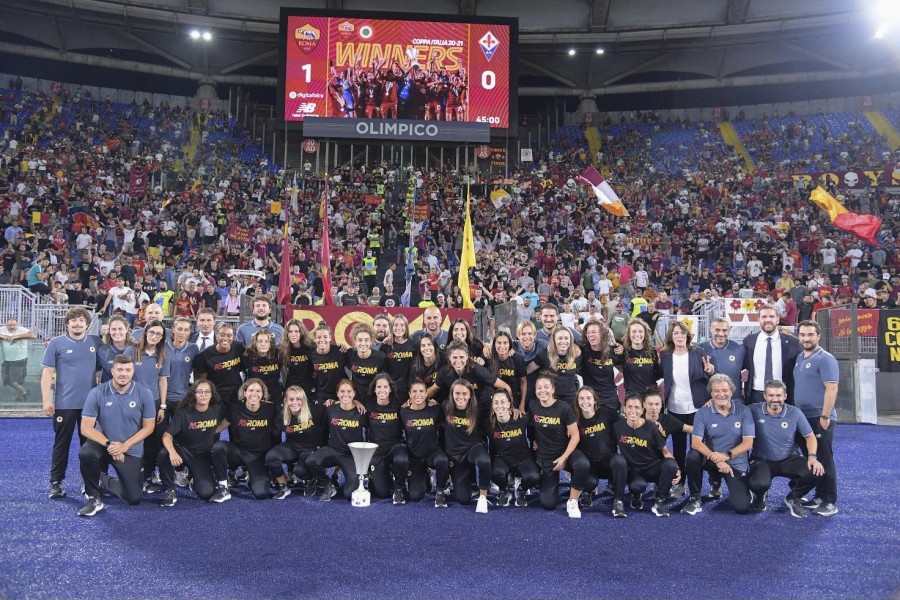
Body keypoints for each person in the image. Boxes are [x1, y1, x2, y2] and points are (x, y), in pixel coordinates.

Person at [77, 354, 156, 516]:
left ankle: (102, 480)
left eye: (128, 370)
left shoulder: (144, 393)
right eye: (119, 369)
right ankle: (93, 497)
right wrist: (110, 445)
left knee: (133, 498)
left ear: (133, 372)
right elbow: (85, 428)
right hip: (104, 445)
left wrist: (124, 446)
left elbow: (149, 427)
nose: (123, 373)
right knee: (86, 453)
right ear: (112, 371)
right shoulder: (97, 392)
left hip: (130, 450)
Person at [41, 307, 99, 499]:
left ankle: (89, 484)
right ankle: (56, 483)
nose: (77, 323)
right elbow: (47, 373)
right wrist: (46, 400)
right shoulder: (56, 343)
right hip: (64, 405)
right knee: (61, 444)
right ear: (67, 323)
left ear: (87, 323)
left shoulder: (95, 342)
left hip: (89, 407)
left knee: (89, 447)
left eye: (81, 320)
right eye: (73, 320)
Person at [748, 380, 824, 517]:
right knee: (759, 484)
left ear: (785, 396)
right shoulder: (753, 410)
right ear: (764, 396)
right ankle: (759, 496)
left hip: (788, 459)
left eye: (778, 395)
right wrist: (711, 402)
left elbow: (810, 437)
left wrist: (812, 457)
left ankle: (793, 497)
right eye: (771, 395)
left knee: (817, 471)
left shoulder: (795, 413)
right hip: (762, 460)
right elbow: (732, 410)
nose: (775, 399)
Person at [681, 374, 755, 516]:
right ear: (711, 393)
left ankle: (718, 481)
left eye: (725, 390)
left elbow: (748, 443)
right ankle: (695, 497)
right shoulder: (702, 413)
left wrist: (726, 456)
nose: (721, 394)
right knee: (692, 457)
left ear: (731, 392)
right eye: (716, 391)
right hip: (712, 458)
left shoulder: (744, 411)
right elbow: (696, 443)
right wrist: (717, 458)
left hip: (734, 462)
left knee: (742, 507)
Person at [659, 320, 714, 497]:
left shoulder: (699, 352)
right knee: (679, 449)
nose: (679, 336)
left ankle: (695, 489)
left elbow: (712, 375)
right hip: (675, 408)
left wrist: (711, 371)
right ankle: (680, 484)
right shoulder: (666, 355)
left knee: (696, 450)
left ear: (687, 335)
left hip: (697, 407)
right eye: (676, 333)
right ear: (671, 336)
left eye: (682, 333)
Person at [792, 320, 840, 517]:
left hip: (819, 417)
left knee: (825, 459)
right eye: (803, 335)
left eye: (810, 334)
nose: (806, 338)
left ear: (818, 335)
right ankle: (820, 496)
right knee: (813, 459)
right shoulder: (799, 357)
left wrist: (825, 415)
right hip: (803, 418)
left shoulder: (825, 358)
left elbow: (832, 388)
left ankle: (830, 501)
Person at [159, 379, 228, 506]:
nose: (203, 394)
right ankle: (169, 490)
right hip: (184, 451)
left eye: (207, 392)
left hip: (202, 456)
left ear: (212, 394)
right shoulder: (184, 412)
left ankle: (193, 476)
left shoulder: (218, 409)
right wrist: (173, 452)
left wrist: (215, 430)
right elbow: (166, 436)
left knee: (206, 493)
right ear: (194, 394)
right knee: (164, 453)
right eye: (199, 392)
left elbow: (231, 417)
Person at [529, 372, 586, 518]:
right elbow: (530, 427)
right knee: (548, 504)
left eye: (546, 387)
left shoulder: (564, 408)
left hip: (566, 452)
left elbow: (575, 435)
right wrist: (534, 440)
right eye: (539, 387)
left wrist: (564, 458)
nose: (543, 390)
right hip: (547, 457)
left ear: (553, 389)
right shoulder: (533, 405)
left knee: (582, 465)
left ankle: (573, 500)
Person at [123, 319, 170, 496]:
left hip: (155, 404)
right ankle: (130, 475)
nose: (154, 336)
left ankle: (148, 476)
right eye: (152, 332)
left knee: (152, 443)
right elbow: (123, 376)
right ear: (145, 333)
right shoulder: (131, 351)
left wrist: (163, 406)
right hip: (132, 403)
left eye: (158, 334)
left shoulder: (163, 355)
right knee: (133, 441)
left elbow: (163, 380)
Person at [614, 393, 679, 517]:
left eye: (637, 407)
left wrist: (677, 468)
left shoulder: (652, 427)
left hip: (651, 467)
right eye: (630, 407)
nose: (633, 411)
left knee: (671, 465)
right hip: (632, 470)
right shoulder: (618, 426)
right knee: (637, 486)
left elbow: (665, 451)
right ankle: (632, 496)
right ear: (624, 409)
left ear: (642, 409)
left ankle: (660, 502)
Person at [213, 378, 276, 500]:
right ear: (244, 392)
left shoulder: (270, 409)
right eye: (251, 390)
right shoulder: (235, 408)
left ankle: (252, 477)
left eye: (258, 391)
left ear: (263, 394)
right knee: (218, 447)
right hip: (238, 453)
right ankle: (223, 487)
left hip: (257, 457)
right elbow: (219, 428)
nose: (254, 394)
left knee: (260, 493)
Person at [307, 379, 368, 502]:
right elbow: (323, 431)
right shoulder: (330, 410)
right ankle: (328, 485)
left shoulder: (361, 411)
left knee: (348, 494)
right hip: (333, 450)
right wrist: (320, 450)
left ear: (354, 393)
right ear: (337, 393)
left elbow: (369, 432)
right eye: (342, 391)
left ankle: (352, 479)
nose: (346, 394)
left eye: (349, 391)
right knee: (310, 461)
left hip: (351, 456)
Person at [573, 386, 627, 517]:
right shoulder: (575, 420)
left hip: (606, 461)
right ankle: (586, 491)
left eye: (588, 398)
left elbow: (628, 422)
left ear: (595, 401)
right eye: (581, 398)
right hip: (589, 466)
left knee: (619, 461)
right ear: (577, 402)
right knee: (590, 482)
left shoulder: (606, 413)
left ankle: (618, 500)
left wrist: (652, 422)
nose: (585, 402)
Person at [265, 386, 326, 500]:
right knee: (271, 457)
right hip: (291, 447)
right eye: (291, 399)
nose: (295, 402)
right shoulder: (281, 415)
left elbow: (335, 407)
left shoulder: (315, 410)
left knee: (299, 471)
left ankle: (310, 479)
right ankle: (283, 486)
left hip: (309, 450)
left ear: (303, 399)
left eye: (298, 399)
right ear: (286, 401)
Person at [397, 380, 451, 507]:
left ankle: (440, 492)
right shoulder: (403, 411)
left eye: (421, 391)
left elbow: (446, 427)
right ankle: (425, 476)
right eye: (414, 391)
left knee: (442, 460)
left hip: (432, 453)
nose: (418, 394)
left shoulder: (435, 409)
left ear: (427, 393)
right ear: (409, 394)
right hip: (414, 456)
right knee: (416, 496)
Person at [428, 341, 512, 421]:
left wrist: (511, 406)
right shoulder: (445, 372)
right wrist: (421, 401)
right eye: (454, 357)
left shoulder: (477, 370)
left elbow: (505, 386)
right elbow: (432, 390)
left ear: (467, 357)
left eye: (461, 357)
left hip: (483, 406)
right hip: (464, 408)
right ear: (449, 358)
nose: (458, 361)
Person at [442, 379, 492, 512]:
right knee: (463, 500)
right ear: (452, 394)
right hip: (456, 455)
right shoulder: (445, 407)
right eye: (457, 393)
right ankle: (466, 481)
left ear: (470, 394)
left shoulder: (478, 409)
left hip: (473, 448)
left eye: (464, 393)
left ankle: (482, 497)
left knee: (484, 461)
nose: (460, 397)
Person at [488, 389, 538, 508]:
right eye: (496, 402)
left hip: (522, 458)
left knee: (534, 477)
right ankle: (504, 490)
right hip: (502, 459)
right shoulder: (488, 423)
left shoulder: (521, 418)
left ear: (509, 404)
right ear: (492, 405)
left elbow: (536, 427)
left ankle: (521, 490)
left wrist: (535, 440)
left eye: (502, 402)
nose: (499, 406)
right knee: (490, 471)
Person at [742, 305, 801, 404]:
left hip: (783, 396)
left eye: (771, 316)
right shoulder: (749, 341)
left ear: (778, 319)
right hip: (756, 395)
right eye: (764, 317)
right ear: (758, 320)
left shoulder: (792, 342)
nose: (768, 320)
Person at [365, 374, 407, 503]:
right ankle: (383, 476)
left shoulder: (399, 405)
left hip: (395, 447)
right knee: (382, 493)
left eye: (385, 387)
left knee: (401, 459)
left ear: (390, 389)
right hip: (377, 451)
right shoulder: (368, 406)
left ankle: (399, 489)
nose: (382, 390)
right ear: (374, 390)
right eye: (379, 387)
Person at [193, 323, 244, 407]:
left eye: (229, 335)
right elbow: (202, 381)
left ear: (233, 336)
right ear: (216, 336)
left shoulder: (239, 348)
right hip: (216, 395)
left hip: (236, 393)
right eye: (222, 335)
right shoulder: (205, 355)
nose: (225, 338)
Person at [698, 318, 746, 404]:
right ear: (710, 330)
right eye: (717, 330)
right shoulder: (700, 349)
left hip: (735, 402)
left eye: (724, 330)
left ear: (729, 331)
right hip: (710, 403)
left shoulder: (739, 349)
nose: (721, 334)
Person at [533, 326, 582, 406]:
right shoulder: (545, 354)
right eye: (560, 338)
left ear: (571, 340)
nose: (563, 341)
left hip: (571, 399)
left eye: (566, 338)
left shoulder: (577, 354)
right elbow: (527, 370)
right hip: (552, 399)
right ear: (554, 340)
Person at [578, 321, 620, 413]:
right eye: (588, 333)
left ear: (602, 334)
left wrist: (622, 347)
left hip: (610, 399)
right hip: (590, 399)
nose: (590, 335)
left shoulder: (613, 351)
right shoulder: (583, 351)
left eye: (593, 332)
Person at [614, 319, 662, 396]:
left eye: (640, 331)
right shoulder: (624, 352)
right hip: (632, 398)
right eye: (633, 331)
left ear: (645, 334)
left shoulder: (652, 351)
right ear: (628, 334)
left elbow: (658, 374)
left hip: (651, 397)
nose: (637, 334)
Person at [241, 329, 283, 409]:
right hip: (255, 396)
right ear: (255, 343)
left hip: (275, 395)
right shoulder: (247, 356)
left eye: (267, 341)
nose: (263, 344)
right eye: (260, 341)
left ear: (271, 343)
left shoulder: (278, 355)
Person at [347, 323, 387, 404]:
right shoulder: (349, 354)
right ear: (355, 341)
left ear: (371, 341)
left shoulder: (381, 357)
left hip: (375, 400)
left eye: (366, 340)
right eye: (360, 340)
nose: (363, 343)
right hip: (356, 400)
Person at [487, 331, 527, 412]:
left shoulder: (517, 359)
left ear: (510, 345)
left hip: (513, 398)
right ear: (494, 345)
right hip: (495, 400)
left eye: (505, 343)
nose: (502, 346)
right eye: (499, 343)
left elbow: (523, 382)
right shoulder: (489, 359)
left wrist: (522, 404)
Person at [309, 324, 347, 405]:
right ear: (315, 339)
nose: (322, 340)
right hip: (321, 395)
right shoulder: (310, 354)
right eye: (319, 337)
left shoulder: (340, 351)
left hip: (340, 394)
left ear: (330, 338)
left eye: (325, 337)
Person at [280, 319, 315, 402]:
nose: (293, 334)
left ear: (301, 333)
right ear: (287, 334)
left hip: (308, 388)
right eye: (290, 331)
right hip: (291, 387)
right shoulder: (283, 349)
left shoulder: (311, 347)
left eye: (297, 331)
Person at [0, 318, 36, 399]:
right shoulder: (2, 329)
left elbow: (33, 335)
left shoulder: (21, 330)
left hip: (19, 359)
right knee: (6, 379)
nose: (12, 327)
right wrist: (3, 336)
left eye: (14, 325)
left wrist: (17, 337)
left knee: (12, 380)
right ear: (6, 325)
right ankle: (22, 393)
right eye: (10, 325)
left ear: (17, 325)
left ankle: (24, 393)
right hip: (8, 359)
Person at [385, 314, 417, 402]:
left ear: (406, 327)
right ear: (391, 327)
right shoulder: (386, 346)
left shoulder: (414, 345)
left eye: (402, 325)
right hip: (391, 391)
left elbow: (416, 369)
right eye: (396, 325)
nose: (399, 328)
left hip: (409, 390)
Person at [95, 315, 133, 384]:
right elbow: (96, 371)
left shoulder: (135, 349)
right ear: (109, 331)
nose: (117, 332)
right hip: (108, 392)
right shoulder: (102, 350)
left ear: (126, 329)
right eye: (113, 329)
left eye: (120, 329)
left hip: (130, 392)